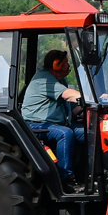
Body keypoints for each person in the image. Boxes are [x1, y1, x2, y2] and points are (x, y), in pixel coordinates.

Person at [22, 49, 85, 187]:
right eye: (67, 62)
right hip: (35, 125)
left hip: (56, 124)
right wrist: (91, 98)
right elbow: (68, 94)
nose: (69, 65)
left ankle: (91, 175)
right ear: (57, 64)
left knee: (89, 133)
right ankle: (66, 179)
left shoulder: (61, 80)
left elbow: (73, 108)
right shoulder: (43, 79)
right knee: (65, 133)